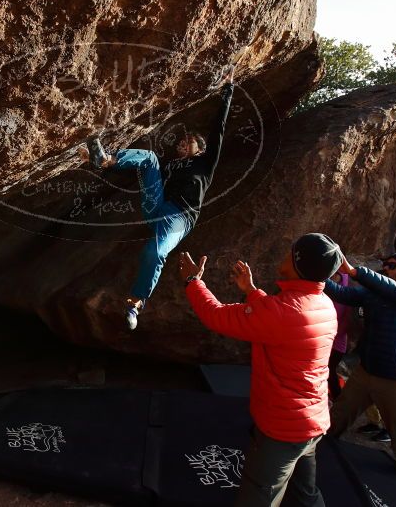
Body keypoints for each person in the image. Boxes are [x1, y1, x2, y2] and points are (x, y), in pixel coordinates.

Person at [179, 233, 342, 507]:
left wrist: (192, 282)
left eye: (292, 252)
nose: (285, 254)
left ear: (297, 263)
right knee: (305, 495)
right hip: (312, 420)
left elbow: (217, 315)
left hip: (283, 429)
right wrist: (252, 292)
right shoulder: (324, 305)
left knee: (260, 496)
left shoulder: (282, 311)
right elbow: (282, 321)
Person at [78, 76, 235, 330]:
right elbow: (139, 174)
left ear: (201, 148)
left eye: (188, 141)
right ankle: (105, 159)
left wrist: (228, 91)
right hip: (156, 205)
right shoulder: (170, 165)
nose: (182, 144)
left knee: (154, 252)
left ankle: (136, 303)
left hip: (179, 217)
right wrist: (105, 166)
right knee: (149, 158)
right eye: (181, 142)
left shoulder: (205, 163)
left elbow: (218, 130)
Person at [323, 252, 396, 481]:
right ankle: (320, 452)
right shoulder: (374, 294)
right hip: (366, 371)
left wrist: (354, 272)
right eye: (386, 265)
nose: (386, 268)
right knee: (339, 414)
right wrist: (317, 277)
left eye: (392, 265)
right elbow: (342, 294)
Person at [327, 271, 352, 401]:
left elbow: (348, 317)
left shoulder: (348, 283)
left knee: (329, 371)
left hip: (336, 341)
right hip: (322, 336)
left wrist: (333, 334)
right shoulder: (323, 279)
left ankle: (337, 400)